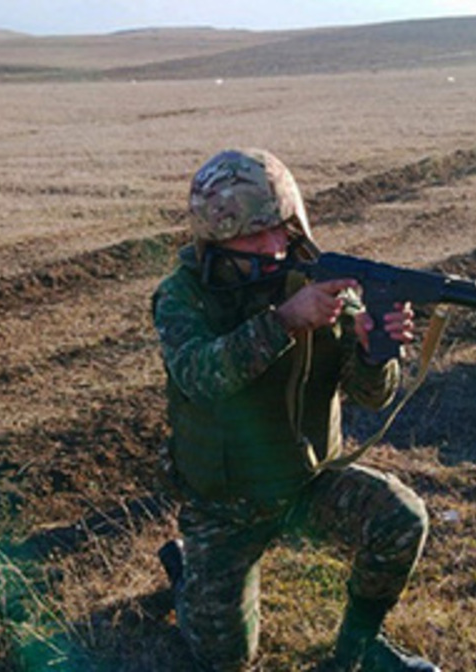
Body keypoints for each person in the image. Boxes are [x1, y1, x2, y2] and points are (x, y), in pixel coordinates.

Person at [152, 148, 438, 671]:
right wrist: (282, 322)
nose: (273, 247)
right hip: (224, 503)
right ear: (214, 237)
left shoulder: (319, 281)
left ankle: (359, 649)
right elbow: (200, 376)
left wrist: (377, 352)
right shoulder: (181, 296)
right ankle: (186, 572)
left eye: (281, 229)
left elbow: (370, 396)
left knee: (402, 519)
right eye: (253, 236)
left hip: (306, 481)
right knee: (225, 658)